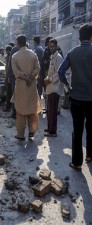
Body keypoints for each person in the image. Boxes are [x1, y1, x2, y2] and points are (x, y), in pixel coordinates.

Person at [58, 23, 92, 171]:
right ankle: (90, 155)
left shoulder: (72, 53)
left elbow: (61, 72)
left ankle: (77, 162)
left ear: (79, 37)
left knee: (77, 130)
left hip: (76, 97)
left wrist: (68, 87)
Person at [11, 34, 42, 140]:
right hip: (32, 85)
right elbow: (38, 68)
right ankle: (31, 132)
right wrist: (30, 77)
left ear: (18, 43)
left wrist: (25, 77)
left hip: (20, 86)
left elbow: (16, 72)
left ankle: (20, 135)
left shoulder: (15, 56)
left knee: (20, 111)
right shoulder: (33, 55)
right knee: (32, 109)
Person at [44, 38, 64, 137]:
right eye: (50, 46)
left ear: (56, 46)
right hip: (50, 87)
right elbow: (51, 72)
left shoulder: (58, 57)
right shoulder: (52, 56)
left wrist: (49, 79)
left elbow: (59, 73)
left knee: (52, 111)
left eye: (53, 46)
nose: (51, 48)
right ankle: (50, 128)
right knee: (49, 110)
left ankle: (52, 131)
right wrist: (46, 78)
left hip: (55, 88)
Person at [7, 44, 20, 118]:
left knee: (14, 95)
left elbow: (10, 64)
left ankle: (14, 112)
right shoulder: (27, 51)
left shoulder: (14, 50)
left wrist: (9, 75)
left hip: (14, 77)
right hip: (22, 78)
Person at [3, 45, 12, 112]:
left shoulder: (10, 57)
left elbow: (8, 68)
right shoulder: (9, 57)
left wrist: (7, 77)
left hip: (9, 77)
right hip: (9, 76)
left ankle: (8, 106)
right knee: (9, 92)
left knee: (9, 93)